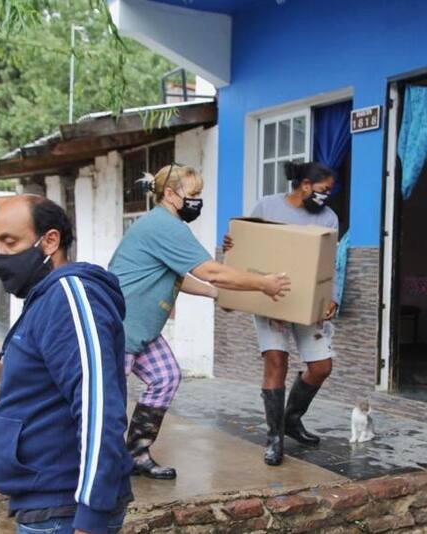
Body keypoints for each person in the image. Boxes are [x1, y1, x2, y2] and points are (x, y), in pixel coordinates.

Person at [0, 196, 133, 534]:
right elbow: (37, 411)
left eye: (10, 241)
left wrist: (91, 517)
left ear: (50, 240)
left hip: (65, 511)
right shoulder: (43, 301)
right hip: (45, 508)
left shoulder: (70, 296)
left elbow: (99, 406)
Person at [109, 163, 291, 480]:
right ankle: (98, 468)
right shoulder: (164, 226)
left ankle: (136, 453)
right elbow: (211, 271)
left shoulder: (167, 224)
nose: (197, 201)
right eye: (192, 194)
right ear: (170, 194)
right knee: (108, 403)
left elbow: (181, 277)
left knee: (165, 377)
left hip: (142, 329)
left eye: (199, 194)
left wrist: (216, 295)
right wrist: (263, 283)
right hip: (121, 327)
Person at [224, 161, 339, 466]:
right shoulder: (268, 206)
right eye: (324, 190)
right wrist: (230, 244)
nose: (327, 196)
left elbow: (331, 261)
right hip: (270, 297)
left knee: (321, 366)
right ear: (305, 185)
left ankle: (291, 419)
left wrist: (331, 298)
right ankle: (274, 438)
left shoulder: (329, 217)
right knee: (277, 360)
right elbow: (245, 242)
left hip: (306, 300)